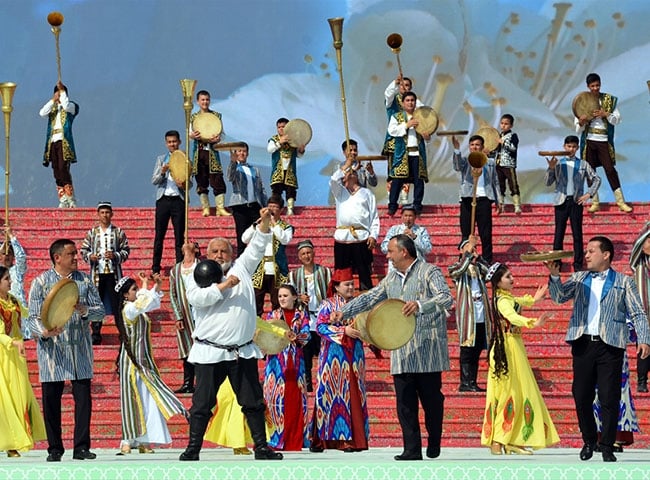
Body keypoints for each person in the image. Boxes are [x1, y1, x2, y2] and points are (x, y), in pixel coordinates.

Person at [332, 234, 453, 461]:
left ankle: (434, 438)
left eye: (390, 251)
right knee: (405, 404)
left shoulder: (429, 272)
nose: (387, 255)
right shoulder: (390, 279)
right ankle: (411, 449)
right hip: (400, 349)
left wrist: (420, 305)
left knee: (432, 402)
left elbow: (446, 298)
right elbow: (370, 298)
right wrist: (345, 311)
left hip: (428, 350)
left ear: (404, 252)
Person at [179, 207, 283, 461]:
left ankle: (261, 447)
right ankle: (193, 449)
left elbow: (257, 247)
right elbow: (197, 298)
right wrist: (224, 286)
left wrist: (265, 222)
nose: (219, 255)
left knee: (252, 402)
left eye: (224, 250)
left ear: (232, 253)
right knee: (202, 403)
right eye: (214, 251)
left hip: (241, 350)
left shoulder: (242, 268)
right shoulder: (197, 276)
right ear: (207, 254)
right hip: (210, 352)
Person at [546, 235, 650, 462]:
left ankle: (607, 445)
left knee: (609, 397)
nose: (587, 254)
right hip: (583, 342)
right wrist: (554, 276)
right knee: (580, 394)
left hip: (610, 345)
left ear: (606, 255)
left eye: (592, 251)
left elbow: (638, 313)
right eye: (586, 251)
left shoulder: (624, 282)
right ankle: (589, 439)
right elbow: (559, 297)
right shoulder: (579, 277)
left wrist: (644, 339)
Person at [26, 239, 105, 462]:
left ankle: (81, 447)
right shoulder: (41, 282)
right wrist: (45, 331)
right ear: (57, 257)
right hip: (53, 352)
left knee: (83, 400)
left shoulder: (84, 281)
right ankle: (54, 448)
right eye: (70, 254)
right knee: (51, 401)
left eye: (76, 253)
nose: (75, 258)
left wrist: (85, 310)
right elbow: (31, 318)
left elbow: (100, 311)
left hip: (79, 349)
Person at [480, 262, 559, 454]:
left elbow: (520, 301)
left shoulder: (505, 297)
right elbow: (512, 317)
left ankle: (509, 439)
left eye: (511, 275)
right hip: (506, 349)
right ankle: (500, 439)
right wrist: (533, 322)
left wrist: (534, 299)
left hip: (511, 346)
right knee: (510, 393)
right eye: (507, 276)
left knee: (515, 392)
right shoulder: (502, 301)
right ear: (498, 282)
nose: (512, 279)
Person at [114, 273, 188, 455]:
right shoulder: (128, 310)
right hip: (132, 363)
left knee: (147, 399)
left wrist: (155, 286)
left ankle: (143, 439)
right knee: (132, 400)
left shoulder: (135, 308)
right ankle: (127, 440)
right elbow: (143, 303)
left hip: (144, 361)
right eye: (134, 289)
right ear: (125, 295)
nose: (137, 292)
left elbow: (151, 303)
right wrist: (148, 285)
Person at [310, 268, 369, 453]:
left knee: (353, 393)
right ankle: (327, 440)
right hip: (333, 358)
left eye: (352, 284)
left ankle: (353, 439)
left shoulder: (359, 304)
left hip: (354, 356)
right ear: (336, 287)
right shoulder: (327, 305)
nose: (351, 287)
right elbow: (319, 327)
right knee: (330, 394)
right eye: (347, 284)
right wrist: (344, 331)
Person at [0, 266, 46, 458]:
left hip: (16, 357)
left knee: (20, 397)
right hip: (3, 355)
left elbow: (29, 314)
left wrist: (48, 317)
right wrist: (12, 342)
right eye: (6, 279)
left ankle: (15, 440)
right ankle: (10, 442)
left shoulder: (13, 301)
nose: (10, 282)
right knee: (5, 399)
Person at [575, 72, 632, 213]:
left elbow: (617, 119)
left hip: (603, 141)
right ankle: (595, 202)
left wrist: (605, 114)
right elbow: (577, 127)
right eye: (592, 86)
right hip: (589, 141)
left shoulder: (608, 100)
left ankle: (620, 201)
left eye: (597, 85)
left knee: (610, 170)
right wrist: (581, 121)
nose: (595, 88)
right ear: (588, 86)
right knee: (590, 172)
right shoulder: (582, 100)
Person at [263, 284, 310, 451]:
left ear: (294, 297)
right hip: (276, 364)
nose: (282, 299)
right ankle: (276, 439)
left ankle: (296, 438)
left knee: (295, 400)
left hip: (295, 363)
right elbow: (264, 336)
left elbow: (307, 335)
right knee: (276, 401)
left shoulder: (301, 315)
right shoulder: (273, 315)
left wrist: (296, 337)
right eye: (280, 296)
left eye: (285, 295)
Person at [545, 135, 601, 272]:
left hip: (576, 201)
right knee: (559, 233)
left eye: (574, 147)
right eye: (569, 146)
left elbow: (597, 179)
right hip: (561, 201)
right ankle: (557, 263)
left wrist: (589, 194)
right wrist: (551, 168)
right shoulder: (558, 163)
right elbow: (548, 182)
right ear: (564, 146)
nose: (571, 149)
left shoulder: (583, 164)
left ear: (577, 148)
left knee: (577, 234)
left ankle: (578, 264)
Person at [80, 201, 131, 345]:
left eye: (107, 212)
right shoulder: (92, 233)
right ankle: (96, 332)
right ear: (98, 215)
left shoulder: (118, 232)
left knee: (117, 304)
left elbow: (126, 250)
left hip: (113, 275)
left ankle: (122, 332)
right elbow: (83, 250)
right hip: (97, 274)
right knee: (96, 303)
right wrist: (91, 257)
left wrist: (115, 255)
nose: (105, 215)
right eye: (102, 212)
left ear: (112, 214)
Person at [448, 235, 492, 392]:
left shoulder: (478, 268)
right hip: (468, 315)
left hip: (481, 315)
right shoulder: (455, 267)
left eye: (474, 246)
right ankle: (465, 381)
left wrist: (478, 258)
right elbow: (458, 270)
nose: (472, 249)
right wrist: (467, 254)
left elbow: (491, 274)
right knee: (467, 348)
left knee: (478, 348)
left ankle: (472, 381)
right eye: (468, 247)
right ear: (461, 250)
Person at [288, 239, 332, 392]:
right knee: (305, 353)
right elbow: (288, 296)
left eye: (308, 252)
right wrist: (299, 298)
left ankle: (324, 381)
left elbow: (330, 292)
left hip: (321, 317)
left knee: (323, 351)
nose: (306, 256)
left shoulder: (325, 272)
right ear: (299, 257)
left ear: (313, 253)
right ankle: (307, 382)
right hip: (304, 319)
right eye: (303, 254)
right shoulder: (294, 275)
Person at [330, 160, 379, 292]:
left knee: (364, 273)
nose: (350, 174)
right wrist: (346, 166)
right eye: (347, 173)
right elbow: (334, 180)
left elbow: (374, 217)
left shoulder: (366, 193)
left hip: (361, 237)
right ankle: (341, 302)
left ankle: (366, 301)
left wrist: (373, 235)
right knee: (342, 274)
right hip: (343, 238)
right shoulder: (339, 192)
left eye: (353, 172)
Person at [451, 134, 500, 264]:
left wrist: (498, 201)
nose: (474, 147)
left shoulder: (489, 163)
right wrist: (456, 149)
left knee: (485, 232)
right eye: (472, 145)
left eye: (477, 145)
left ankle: (487, 260)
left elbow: (495, 181)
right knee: (466, 231)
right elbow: (457, 166)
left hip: (484, 199)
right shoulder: (466, 160)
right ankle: (465, 257)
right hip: (467, 198)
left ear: (482, 146)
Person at [241, 194, 293, 316]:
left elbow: (285, 239)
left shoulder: (286, 227)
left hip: (278, 269)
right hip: (259, 269)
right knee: (256, 302)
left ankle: (278, 330)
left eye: (275, 207)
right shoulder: (259, 225)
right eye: (269, 206)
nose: (271, 209)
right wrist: (257, 225)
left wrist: (274, 223)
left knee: (278, 302)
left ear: (281, 210)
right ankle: (255, 330)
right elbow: (244, 239)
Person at [386, 91, 430, 216]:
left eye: (412, 100)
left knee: (418, 180)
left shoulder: (421, 117)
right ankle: (393, 205)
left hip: (417, 153)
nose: (410, 103)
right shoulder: (397, 116)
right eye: (408, 100)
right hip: (403, 153)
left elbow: (428, 133)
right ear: (403, 103)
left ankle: (417, 205)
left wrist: (427, 136)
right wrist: (406, 125)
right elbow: (392, 131)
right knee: (398, 179)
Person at [151, 130, 188, 275]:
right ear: (166, 143)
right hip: (163, 200)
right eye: (169, 142)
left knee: (179, 235)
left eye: (174, 141)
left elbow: (190, 183)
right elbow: (154, 180)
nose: (172, 144)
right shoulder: (161, 159)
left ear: (179, 142)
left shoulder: (185, 158)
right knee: (159, 235)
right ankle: (155, 268)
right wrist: (162, 172)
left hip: (178, 200)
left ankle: (179, 266)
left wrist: (183, 185)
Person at [39, 81, 79, 208]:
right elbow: (42, 113)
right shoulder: (53, 109)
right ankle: (63, 198)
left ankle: (70, 197)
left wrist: (62, 93)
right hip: (53, 141)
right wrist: (53, 100)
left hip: (64, 140)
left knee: (63, 168)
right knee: (56, 170)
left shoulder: (71, 106)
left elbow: (66, 105)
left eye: (60, 93)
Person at [190, 90, 229, 217]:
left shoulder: (216, 116)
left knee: (217, 178)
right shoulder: (193, 117)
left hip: (212, 153)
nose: (205, 102)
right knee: (201, 179)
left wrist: (218, 139)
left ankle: (220, 208)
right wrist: (192, 135)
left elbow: (222, 134)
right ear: (198, 101)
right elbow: (189, 134)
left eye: (207, 99)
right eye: (202, 100)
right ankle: (205, 208)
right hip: (199, 152)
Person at [169, 242, 200, 394]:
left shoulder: (201, 266)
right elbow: (173, 293)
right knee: (186, 347)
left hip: (200, 313)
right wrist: (177, 316)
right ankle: (188, 382)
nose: (186, 244)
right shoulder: (176, 270)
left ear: (196, 249)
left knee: (200, 346)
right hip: (184, 312)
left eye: (191, 243)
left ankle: (201, 382)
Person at [227, 142, 268, 257]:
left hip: (254, 206)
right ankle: (240, 263)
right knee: (242, 237)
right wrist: (233, 162)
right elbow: (230, 177)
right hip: (240, 206)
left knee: (258, 234)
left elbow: (261, 188)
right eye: (239, 151)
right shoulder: (235, 168)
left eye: (244, 151)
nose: (242, 153)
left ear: (248, 153)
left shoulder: (254, 169)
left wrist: (265, 206)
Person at [268, 117, 305, 215]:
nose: (281, 129)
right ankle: (275, 211)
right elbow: (270, 149)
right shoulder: (274, 139)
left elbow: (298, 155)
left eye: (283, 127)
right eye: (279, 127)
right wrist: (279, 142)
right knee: (276, 191)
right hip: (278, 170)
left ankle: (290, 209)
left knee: (290, 190)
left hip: (290, 170)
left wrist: (301, 150)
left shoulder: (294, 140)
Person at [629, 222, 650, 393]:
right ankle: (642, 380)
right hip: (643, 313)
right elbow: (637, 245)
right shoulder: (638, 264)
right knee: (643, 347)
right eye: (648, 241)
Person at [380, 204, 432, 270]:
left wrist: (415, 238)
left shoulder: (421, 230)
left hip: (416, 268)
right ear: (401, 216)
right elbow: (384, 248)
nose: (408, 219)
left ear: (415, 217)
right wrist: (398, 240)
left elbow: (428, 249)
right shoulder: (394, 229)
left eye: (410, 216)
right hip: (396, 268)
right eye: (405, 216)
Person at [492, 114, 521, 214]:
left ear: (511, 125)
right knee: (500, 185)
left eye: (506, 124)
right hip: (498, 164)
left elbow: (513, 148)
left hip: (509, 164)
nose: (503, 126)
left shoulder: (513, 136)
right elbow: (496, 150)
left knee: (512, 184)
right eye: (502, 123)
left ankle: (517, 206)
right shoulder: (499, 135)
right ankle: (501, 205)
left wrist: (503, 143)